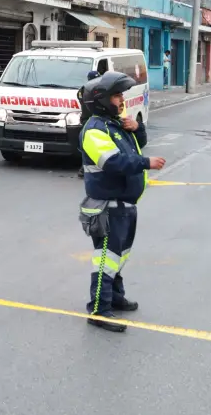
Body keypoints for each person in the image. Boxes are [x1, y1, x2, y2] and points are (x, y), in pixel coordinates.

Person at [78, 71, 167, 333]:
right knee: (106, 259)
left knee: (119, 258)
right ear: (102, 100)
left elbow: (137, 144)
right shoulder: (94, 130)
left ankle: (115, 298)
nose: (121, 100)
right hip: (107, 207)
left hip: (125, 206)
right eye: (117, 95)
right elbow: (113, 162)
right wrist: (146, 163)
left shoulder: (115, 124)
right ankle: (99, 310)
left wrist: (138, 128)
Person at [72, 70, 101, 178]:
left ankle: (85, 168)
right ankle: (84, 169)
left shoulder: (82, 89)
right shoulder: (94, 91)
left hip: (86, 119)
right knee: (90, 145)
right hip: (92, 119)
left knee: (86, 145)